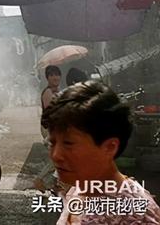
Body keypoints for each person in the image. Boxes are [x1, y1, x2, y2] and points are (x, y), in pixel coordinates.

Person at [42, 80, 160, 224]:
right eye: (52, 143)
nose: (56, 155)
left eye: (69, 143)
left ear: (109, 147)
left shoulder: (134, 214)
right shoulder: (81, 188)